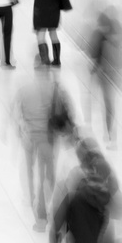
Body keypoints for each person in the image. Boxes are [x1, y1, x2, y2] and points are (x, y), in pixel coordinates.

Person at [11, 53, 73, 230]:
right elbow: (67, 114)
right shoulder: (57, 89)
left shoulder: (25, 88)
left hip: (30, 137)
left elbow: (17, 113)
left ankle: (31, 199)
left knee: (30, 171)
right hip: (48, 138)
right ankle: (41, 211)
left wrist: (20, 130)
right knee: (46, 176)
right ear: (48, 68)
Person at [85, 3, 122, 144]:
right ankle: (109, 132)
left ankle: (92, 124)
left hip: (102, 73)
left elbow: (92, 52)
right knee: (109, 103)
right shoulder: (119, 34)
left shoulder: (98, 34)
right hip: (114, 74)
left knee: (95, 98)